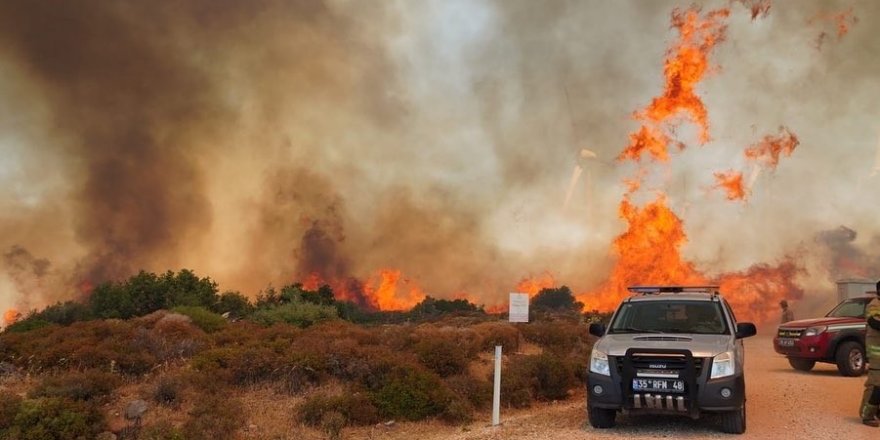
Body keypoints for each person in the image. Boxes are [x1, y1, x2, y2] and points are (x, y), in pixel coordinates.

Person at [860, 280, 880, 427]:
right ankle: (867, 414)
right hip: (877, 353)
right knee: (876, 385)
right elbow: (875, 322)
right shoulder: (874, 305)